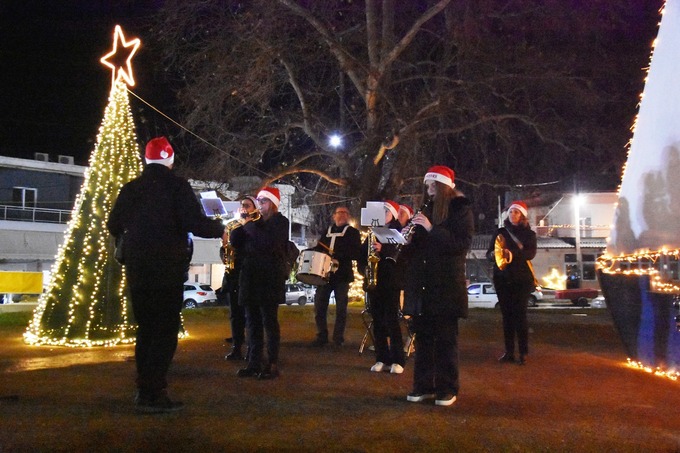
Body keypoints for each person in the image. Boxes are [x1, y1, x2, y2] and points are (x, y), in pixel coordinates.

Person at [107, 136, 227, 413]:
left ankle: (143, 389)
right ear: (170, 160)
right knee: (165, 331)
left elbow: (114, 224)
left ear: (147, 159)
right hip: (167, 269)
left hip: (138, 270)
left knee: (146, 330)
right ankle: (154, 391)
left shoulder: (131, 189)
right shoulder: (177, 186)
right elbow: (194, 223)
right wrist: (219, 228)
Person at [400, 165, 474, 407]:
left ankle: (447, 388)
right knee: (423, 338)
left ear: (444, 187)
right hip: (423, 284)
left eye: (433, 185)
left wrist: (431, 228)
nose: (429, 190)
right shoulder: (426, 209)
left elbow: (459, 245)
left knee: (445, 339)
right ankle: (422, 385)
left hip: (445, 285)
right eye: (427, 185)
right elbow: (417, 250)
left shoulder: (460, 210)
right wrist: (405, 241)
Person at [231, 187, 289, 380]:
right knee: (252, 322)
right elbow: (236, 242)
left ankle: (272, 363)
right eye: (259, 200)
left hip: (269, 279)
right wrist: (240, 223)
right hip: (250, 277)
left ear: (272, 204)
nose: (260, 204)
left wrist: (248, 225)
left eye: (263, 201)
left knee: (269, 321)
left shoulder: (280, 222)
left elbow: (268, 242)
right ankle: (254, 362)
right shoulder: (252, 223)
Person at [486, 201, 537, 366]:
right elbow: (489, 253)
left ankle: (523, 352)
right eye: (511, 212)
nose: (513, 214)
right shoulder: (500, 232)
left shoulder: (529, 234)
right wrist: (494, 254)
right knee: (507, 316)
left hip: (521, 279)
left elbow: (530, 254)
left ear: (522, 216)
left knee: (520, 315)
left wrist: (512, 254)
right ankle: (509, 351)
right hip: (502, 278)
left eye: (516, 212)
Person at [359, 200, 405, 374]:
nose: (383, 214)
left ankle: (397, 359)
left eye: (386, 211)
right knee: (377, 321)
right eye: (381, 210)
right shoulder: (373, 231)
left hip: (390, 282)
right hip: (375, 283)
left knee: (392, 321)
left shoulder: (398, 231)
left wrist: (383, 249)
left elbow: (400, 253)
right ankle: (381, 358)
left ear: (393, 214)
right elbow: (361, 254)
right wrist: (365, 268)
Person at [311, 205, 362, 347]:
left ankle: (338, 338)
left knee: (341, 308)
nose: (342, 215)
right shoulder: (326, 232)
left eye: (345, 213)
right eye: (339, 213)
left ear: (348, 217)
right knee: (319, 305)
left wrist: (339, 255)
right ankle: (322, 335)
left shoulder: (352, 233)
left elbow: (356, 252)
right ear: (334, 216)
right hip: (324, 275)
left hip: (342, 276)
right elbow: (320, 249)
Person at [221, 196, 258, 361]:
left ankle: (252, 348)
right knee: (235, 313)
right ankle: (236, 346)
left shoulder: (256, 224)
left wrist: (245, 223)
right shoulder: (233, 225)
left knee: (249, 314)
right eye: (242, 205)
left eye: (247, 205)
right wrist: (224, 254)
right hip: (232, 273)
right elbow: (227, 246)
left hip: (248, 273)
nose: (243, 208)